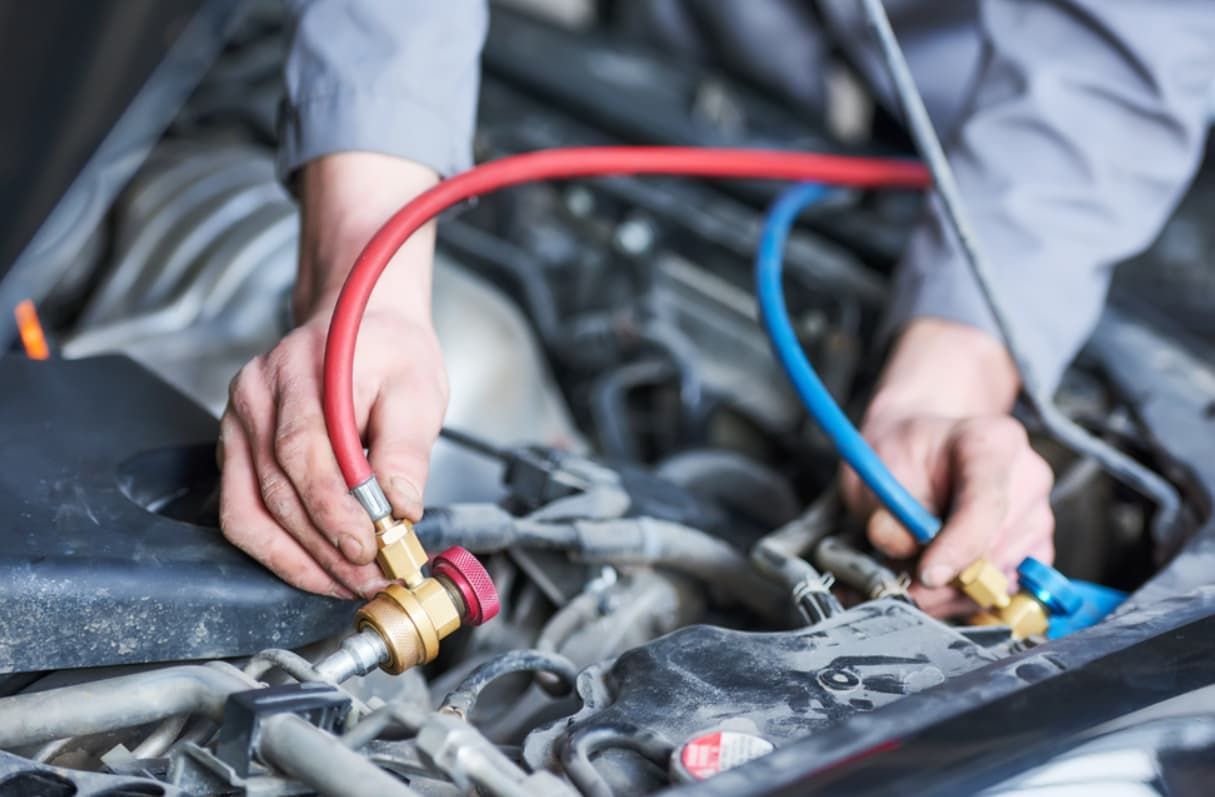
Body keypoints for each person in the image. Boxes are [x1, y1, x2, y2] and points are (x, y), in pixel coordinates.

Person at [217, 0, 1215, 613]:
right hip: (690, 57)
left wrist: (948, 382)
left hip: (1008, 155)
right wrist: (366, 285)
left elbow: (1123, 47)